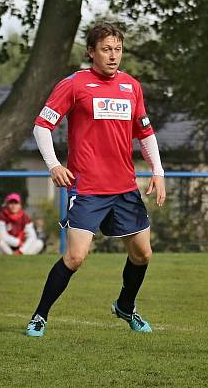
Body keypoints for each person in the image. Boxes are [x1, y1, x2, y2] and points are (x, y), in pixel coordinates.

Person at [25, 21, 166, 337]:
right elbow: (41, 126)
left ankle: (125, 307)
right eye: (106, 49)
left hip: (125, 187)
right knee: (75, 257)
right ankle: (39, 316)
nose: (113, 56)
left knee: (143, 254)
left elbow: (145, 132)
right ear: (91, 52)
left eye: (118, 49)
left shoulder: (132, 86)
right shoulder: (74, 84)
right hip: (87, 187)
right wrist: (53, 165)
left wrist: (158, 172)